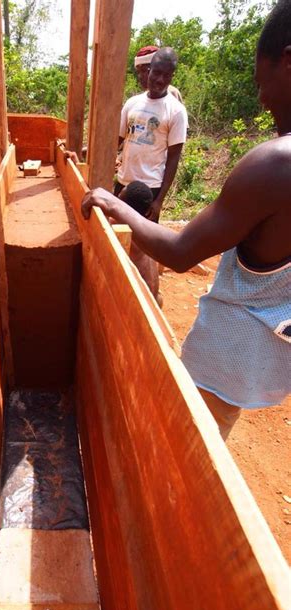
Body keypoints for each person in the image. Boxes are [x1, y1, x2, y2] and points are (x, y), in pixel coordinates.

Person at [81, 0, 291, 440]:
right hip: (268, 359)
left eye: (261, 81)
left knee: (183, 453)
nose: (261, 97)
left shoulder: (274, 165)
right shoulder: (136, 105)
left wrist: (117, 204)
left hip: (223, 360)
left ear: (287, 61)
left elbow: (180, 251)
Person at [116, 48, 188, 223]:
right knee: (113, 235)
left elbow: (173, 158)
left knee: (142, 244)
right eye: (156, 73)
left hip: (150, 189)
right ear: (149, 71)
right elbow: (117, 140)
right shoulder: (132, 103)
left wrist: (159, 201)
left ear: (172, 77)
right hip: (124, 183)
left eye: (167, 75)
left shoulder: (176, 111)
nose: (160, 79)